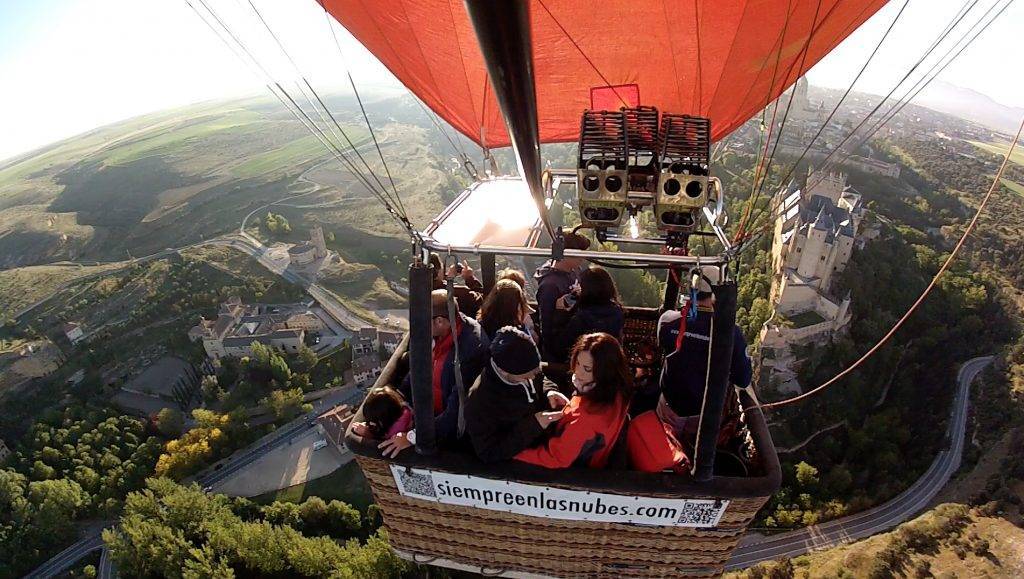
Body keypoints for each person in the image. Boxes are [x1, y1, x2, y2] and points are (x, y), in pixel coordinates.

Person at [656, 266, 751, 447]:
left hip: (670, 405)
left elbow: (665, 343)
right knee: (694, 449)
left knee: (666, 447)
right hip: (705, 411)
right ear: (719, 295)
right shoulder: (731, 335)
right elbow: (743, 379)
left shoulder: (668, 321)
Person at [385, 290, 489, 456]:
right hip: (431, 409)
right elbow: (420, 367)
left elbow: (457, 411)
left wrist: (415, 437)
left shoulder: (470, 350)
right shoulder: (444, 332)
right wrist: (398, 396)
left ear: (440, 321)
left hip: (449, 429)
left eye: (425, 322)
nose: (421, 327)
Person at [515, 333, 632, 469]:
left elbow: (555, 458)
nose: (578, 372)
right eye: (578, 363)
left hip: (574, 468)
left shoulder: (584, 420)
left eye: (587, 368)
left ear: (605, 370)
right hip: (595, 459)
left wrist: (513, 453)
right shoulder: (618, 392)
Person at [465, 326, 566, 463]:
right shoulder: (480, 402)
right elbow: (488, 452)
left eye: (536, 370)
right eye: (526, 377)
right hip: (519, 464)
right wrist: (534, 425)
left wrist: (549, 391)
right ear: (503, 371)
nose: (532, 377)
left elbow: (540, 378)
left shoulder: (526, 367)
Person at [533, 231, 591, 363]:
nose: (582, 258)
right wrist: (552, 357)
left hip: (573, 339)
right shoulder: (550, 285)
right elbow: (546, 325)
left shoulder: (574, 271)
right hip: (560, 349)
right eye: (578, 255)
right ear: (565, 254)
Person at [550, 266, 625, 363]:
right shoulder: (617, 313)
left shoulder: (581, 319)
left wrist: (560, 312)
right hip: (609, 365)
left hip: (583, 367)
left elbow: (559, 348)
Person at [430, 252, 484, 318]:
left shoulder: (417, 292)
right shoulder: (461, 293)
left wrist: (448, 278)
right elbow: (482, 301)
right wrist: (470, 278)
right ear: (438, 271)